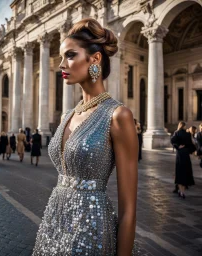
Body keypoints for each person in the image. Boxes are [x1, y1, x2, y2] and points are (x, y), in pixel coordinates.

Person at [32, 18, 139, 256]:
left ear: (95, 59)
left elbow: (128, 208)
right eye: (61, 57)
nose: (61, 64)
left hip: (91, 228)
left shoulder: (118, 115)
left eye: (70, 55)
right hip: (53, 224)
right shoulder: (67, 115)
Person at [171, 121, 196, 199]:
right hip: (186, 154)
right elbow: (192, 145)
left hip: (180, 154)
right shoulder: (188, 134)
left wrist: (178, 147)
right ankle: (182, 192)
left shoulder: (176, 133)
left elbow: (172, 141)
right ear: (184, 126)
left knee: (179, 172)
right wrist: (189, 150)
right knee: (186, 172)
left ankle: (180, 191)